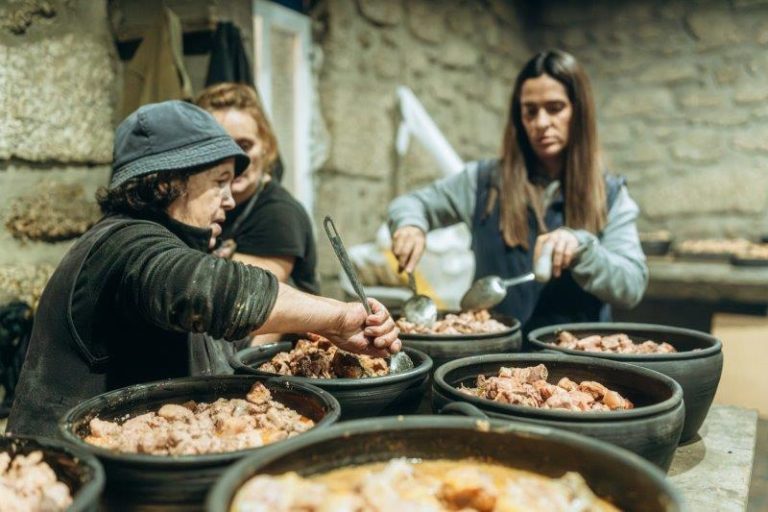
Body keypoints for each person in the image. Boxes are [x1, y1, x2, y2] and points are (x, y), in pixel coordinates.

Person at [8, 100, 399, 437]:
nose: (229, 201)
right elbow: (209, 292)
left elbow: (215, 339)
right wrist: (338, 317)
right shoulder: (123, 244)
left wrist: (314, 332)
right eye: (219, 182)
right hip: (76, 479)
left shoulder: (153, 242)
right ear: (164, 184)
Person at [388, 50, 648, 333]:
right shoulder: (483, 181)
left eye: (555, 108)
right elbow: (414, 204)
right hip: (495, 362)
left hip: (579, 365)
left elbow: (631, 286)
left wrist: (583, 249)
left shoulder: (610, 194)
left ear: (579, 111)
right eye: (530, 111)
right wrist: (411, 225)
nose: (541, 123)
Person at [196, 83, 318, 295]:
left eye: (244, 146)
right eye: (219, 146)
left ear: (267, 147)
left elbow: (257, 300)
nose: (234, 159)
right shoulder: (198, 204)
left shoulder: (279, 214)